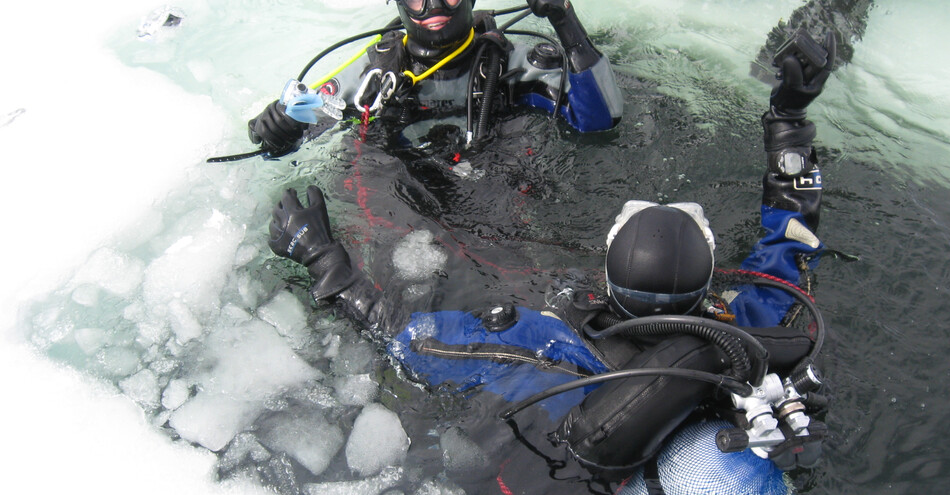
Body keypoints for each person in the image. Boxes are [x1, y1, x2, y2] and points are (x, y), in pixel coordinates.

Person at [265, 28, 835, 495]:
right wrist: (789, 118)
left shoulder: (545, 343)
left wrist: (320, 256)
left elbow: (411, 339)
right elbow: (791, 238)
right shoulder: (743, 324)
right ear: (712, 277)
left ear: (607, 273)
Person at [244, 0, 623, 159]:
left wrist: (564, 19)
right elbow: (298, 130)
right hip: (399, 191)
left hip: (495, 187)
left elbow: (601, 122)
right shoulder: (375, 71)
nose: (434, 8)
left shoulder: (512, 63)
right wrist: (280, 129)